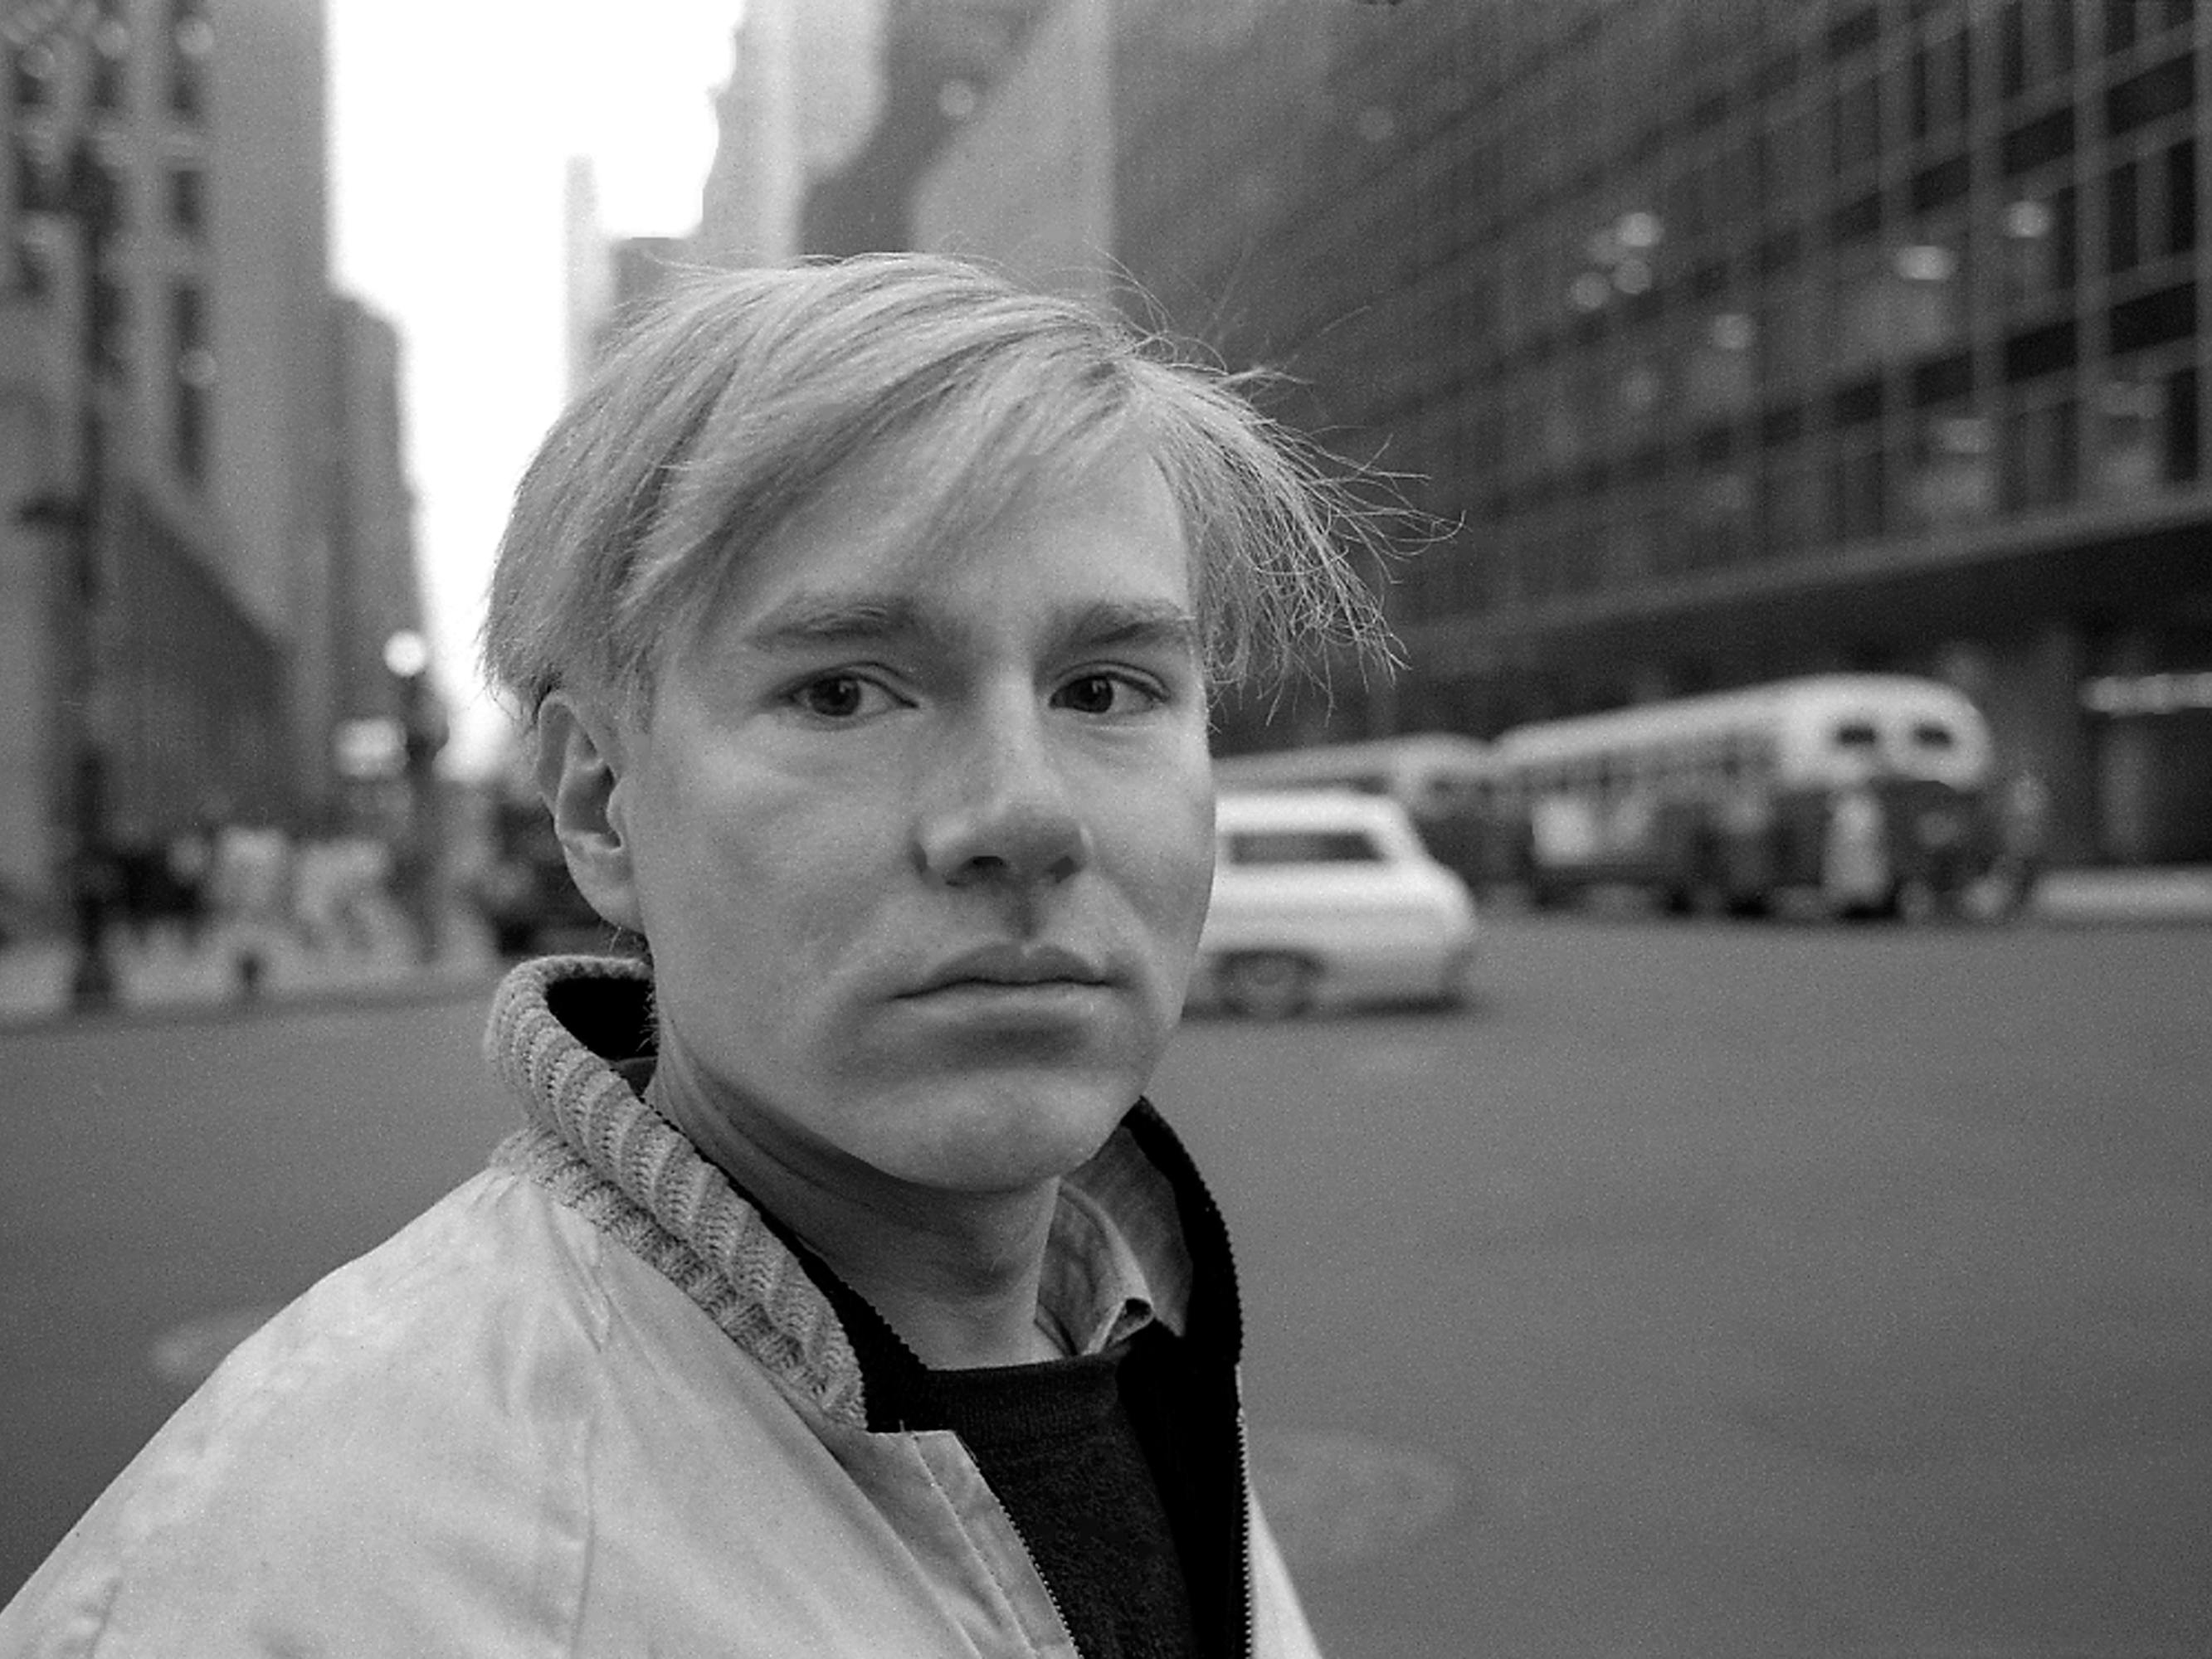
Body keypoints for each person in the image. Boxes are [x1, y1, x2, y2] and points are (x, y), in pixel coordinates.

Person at [0, 255, 1393, 1656]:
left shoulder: (1128, 1348)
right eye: (844, 693)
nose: (1022, 814)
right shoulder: (289, 1569)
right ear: (600, 802)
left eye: (1104, 688)